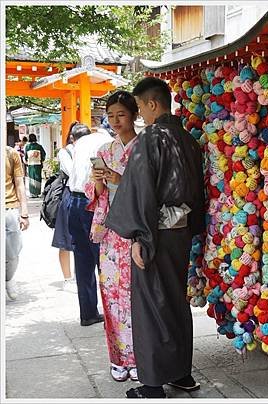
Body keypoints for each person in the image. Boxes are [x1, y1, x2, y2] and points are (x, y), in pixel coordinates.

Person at [105, 77, 205, 398]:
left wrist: (139, 237)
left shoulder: (151, 139)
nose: (141, 116)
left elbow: (142, 191)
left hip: (155, 234)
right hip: (181, 231)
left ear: (151, 104)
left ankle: (152, 383)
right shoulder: (189, 140)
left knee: (150, 305)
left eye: (141, 109)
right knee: (176, 301)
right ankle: (182, 374)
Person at [85, 91, 139, 382]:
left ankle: (141, 356)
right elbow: (94, 194)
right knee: (111, 295)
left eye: (122, 114)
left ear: (134, 114)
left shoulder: (144, 147)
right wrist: (98, 183)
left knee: (135, 296)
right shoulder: (106, 150)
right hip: (110, 232)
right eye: (111, 114)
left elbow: (150, 190)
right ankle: (118, 358)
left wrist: (122, 180)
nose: (116, 120)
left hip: (135, 231)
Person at [67, 123, 113, 326]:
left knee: (83, 261)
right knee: (105, 260)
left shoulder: (81, 142)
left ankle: (87, 313)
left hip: (73, 202)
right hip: (93, 203)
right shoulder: (109, 143)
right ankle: (112, 312)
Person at [51, 131, 76, 292]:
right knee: (65, 240)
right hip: (69, 195)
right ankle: (67, 278)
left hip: (87, 195)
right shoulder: (65, 152)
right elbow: (72, 171)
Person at [5, 145, 29, 300]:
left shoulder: (11, 153)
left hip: (9, 208)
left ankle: (8, 278)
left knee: (13, 251)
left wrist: (24, 213)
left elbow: (19, 183)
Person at [24, 133, 46, 197]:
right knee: (37, 178)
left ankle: (32, 193)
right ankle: (37, 192)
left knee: (31, 178)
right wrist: (41, 160)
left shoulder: (28, 147)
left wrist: (26, 159)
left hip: (31, 164)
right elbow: (43, 154)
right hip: (38, 164)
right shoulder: (39, 146)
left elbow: (26, 156)